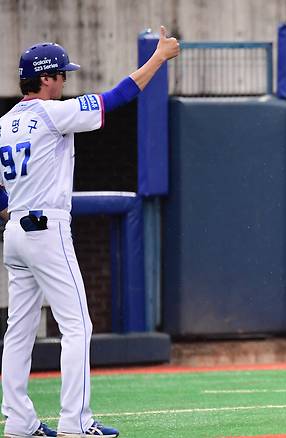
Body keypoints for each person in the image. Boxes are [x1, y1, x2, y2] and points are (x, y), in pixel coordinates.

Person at [0, 26, 179, 437]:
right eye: (61, 75)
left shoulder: (5, 123)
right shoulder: (52, 113)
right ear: (45, 78)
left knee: (19, 329)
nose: (65, 81)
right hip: (47, 229)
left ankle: (19, 422)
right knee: (78, 325)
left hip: (16, 233)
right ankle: (75, 423)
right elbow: (117, 97)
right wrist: (158, 58)